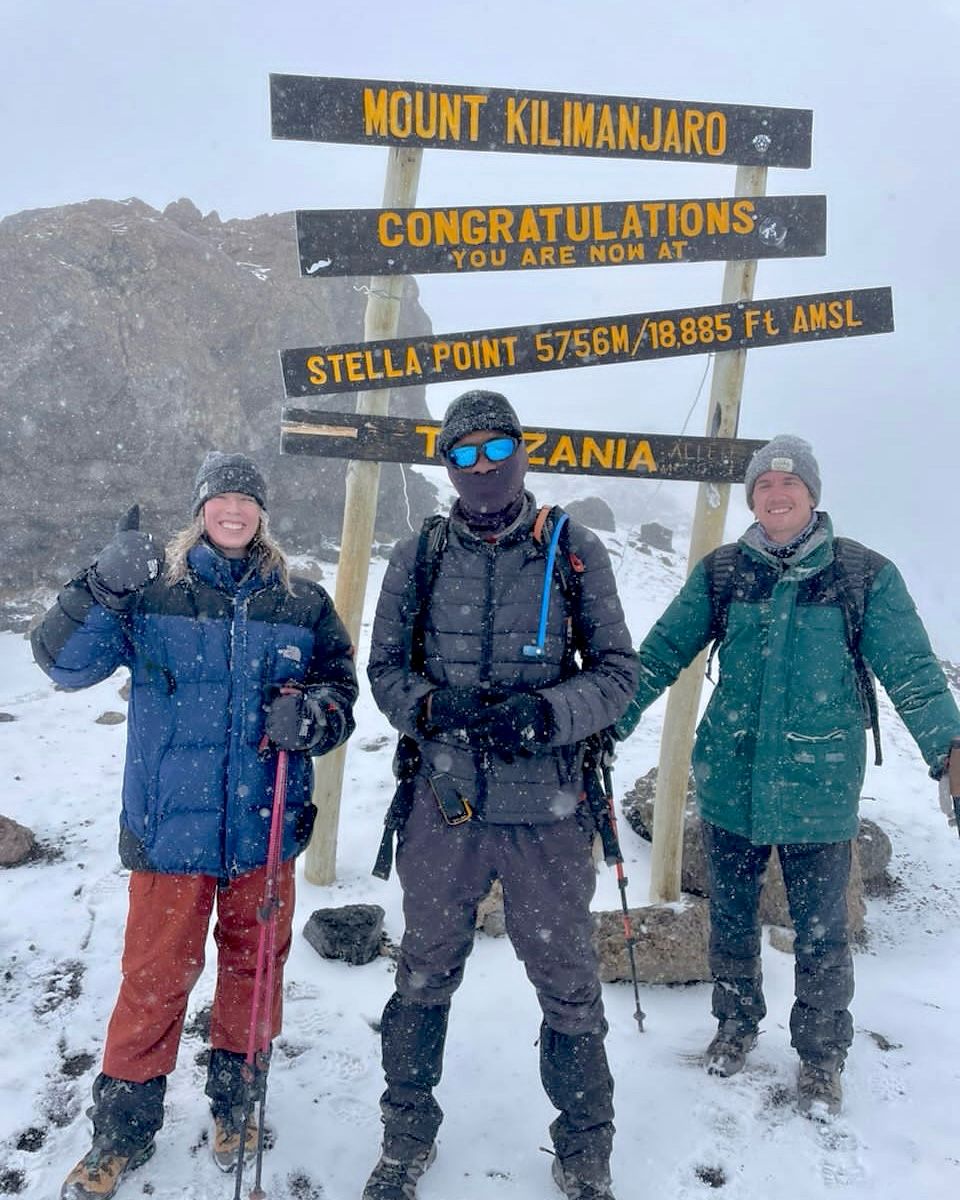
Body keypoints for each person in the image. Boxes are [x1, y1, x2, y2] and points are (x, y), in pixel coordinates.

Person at [32, 452, 358, 1200]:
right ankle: (121, 1131)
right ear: (201, 511)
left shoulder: (300, 603)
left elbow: (340, 690)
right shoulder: (151, 597)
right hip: (168, 836)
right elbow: (62, 666)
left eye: (247, 501)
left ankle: (236, 1108)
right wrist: (98, 585)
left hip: (263, 831)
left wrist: (315, 715)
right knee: (152, 982)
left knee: (254, 975)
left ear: (262, 515)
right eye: (221, 500)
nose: (234, 512)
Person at [615, 434, 960, 1117]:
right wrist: (604, 724)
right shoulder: (722, 573)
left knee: (823, 934)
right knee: (732, 924)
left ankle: (822, 1057)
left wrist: (950, 751)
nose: (777, 495)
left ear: (812, 494)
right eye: (764, 487)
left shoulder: (862, 575)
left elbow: (914, 676)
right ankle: (735, 1027)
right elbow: (657, 656)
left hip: (819, 789)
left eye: (789, 485)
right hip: (730, 787)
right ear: (752, 499)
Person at [363, 390, 638, 1200]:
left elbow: (620, 674)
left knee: (567, 980)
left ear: (522, 453)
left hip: (547, 813)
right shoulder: (418, 555)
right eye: (465, 454)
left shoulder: (573, 548)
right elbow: (384, 669)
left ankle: (586, 1153)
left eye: (496, 450)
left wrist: (548, 713)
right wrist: (427, 707)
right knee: (423, 973)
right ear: (447, 465)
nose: (482, 468)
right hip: (442, 808)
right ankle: (405, 1138)